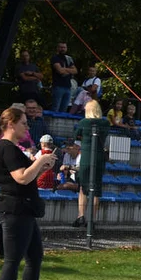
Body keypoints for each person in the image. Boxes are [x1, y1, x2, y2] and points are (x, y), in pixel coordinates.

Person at [0, 107, 59, 280]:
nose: (27, 128)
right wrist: (40, 161)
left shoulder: (14, 149)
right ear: (11, 124)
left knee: (35, 256)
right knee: (12, 258)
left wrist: (43, 166)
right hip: (13, 209)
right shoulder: (7, 148)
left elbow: (29, 177)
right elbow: (21, 178)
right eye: (23, 123)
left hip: (25, 208)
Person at [72, 99, 110, 227]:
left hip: (87, 156)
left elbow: (76, 135)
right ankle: (92, 220)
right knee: (96, 189)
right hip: (99, 157)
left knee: (83, 187)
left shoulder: (84, 122)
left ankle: (81, 215)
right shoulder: (105, 123)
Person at [49, 42, 77, 113]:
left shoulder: (69, 58)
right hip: (58, 86)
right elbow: (60, 71)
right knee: (56, 107)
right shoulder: (55, 58)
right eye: (61, 47)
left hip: (68, 87)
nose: (63, 49)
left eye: (64, 47)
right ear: (57, 48)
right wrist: (69, 70)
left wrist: (65, 69)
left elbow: (75, 71)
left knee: (64, 109)